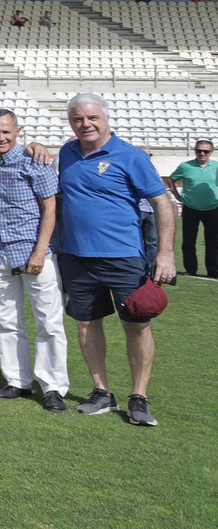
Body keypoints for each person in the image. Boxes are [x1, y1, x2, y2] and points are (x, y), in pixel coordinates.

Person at [56, 93, 175, 426]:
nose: (86, 124)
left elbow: (162, 203)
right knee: (86, 324)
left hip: (123, 258)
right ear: (71, 123)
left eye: (92, 117)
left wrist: (165, 252)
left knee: (136, 326)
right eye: (78, 119)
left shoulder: (130, 156)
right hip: (76, 257)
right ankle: (102, 392)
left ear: (105, 118)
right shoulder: (67, 152)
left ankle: (139, 397)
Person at [0, 109, 67, 411]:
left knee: (48, 321)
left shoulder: (35, 160)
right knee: (7, 322)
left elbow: (50, 209)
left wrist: (40, 251)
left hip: (34, 253)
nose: (1, 137)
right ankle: (17, 381)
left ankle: (53, 386)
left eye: (6, 131)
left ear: (18, 132)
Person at [169, 138, 217, 277]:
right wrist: (178, 197)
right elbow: (171, 180)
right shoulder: (185, 166)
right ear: (195, 151)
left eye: (206, 151)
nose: (202, 153)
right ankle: (191, 269)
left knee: (213, 241)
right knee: (189, 240)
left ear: (211, 152)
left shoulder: (217, 167)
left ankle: (213, 271)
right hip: (191, 208)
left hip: (213, 208)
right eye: (199, 150)